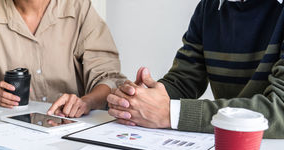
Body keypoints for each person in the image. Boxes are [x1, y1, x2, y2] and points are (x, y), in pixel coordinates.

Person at [107, 0, 284, 138]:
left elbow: (280, 111)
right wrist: (144, 99)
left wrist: (172, 113)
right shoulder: (209, 6)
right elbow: (185, 79)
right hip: (226, 146)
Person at [0, 0, 125, 118]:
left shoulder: (78, 8)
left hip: (71, 126)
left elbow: (108, 78)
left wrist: (86, 102)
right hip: (9, 127)